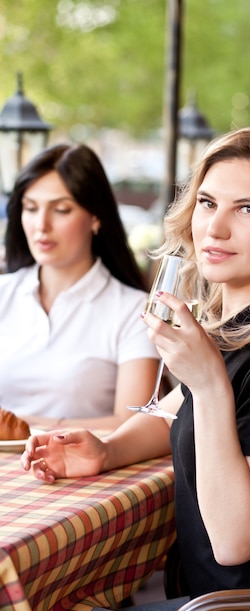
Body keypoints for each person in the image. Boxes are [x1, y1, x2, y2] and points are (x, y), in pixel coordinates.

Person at [21, 127, 250, 611]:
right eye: (206, 202)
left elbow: (235, 542)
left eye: (248, 209)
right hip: (212, 605)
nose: (214, 229)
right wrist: (107, 449)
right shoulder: (236, 331)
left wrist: (208, 383)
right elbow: (175, 414)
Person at [0, 142, 159, 430]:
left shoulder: (134, 311)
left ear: (96, 217)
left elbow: (135, 424)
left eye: (61, 210)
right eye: (30, 208)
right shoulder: (3, 293)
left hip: (82, 470)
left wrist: (22, 425)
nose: (41, 225)